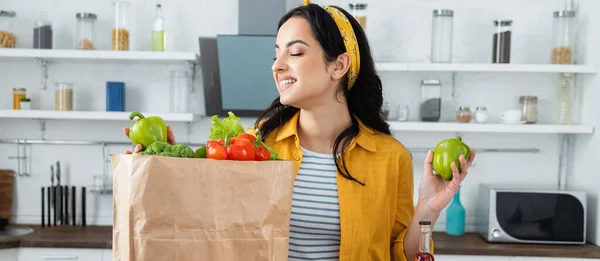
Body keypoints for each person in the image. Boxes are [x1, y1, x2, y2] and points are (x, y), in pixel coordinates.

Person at [124, 1, 476, 260]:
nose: (278, 66)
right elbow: (210, 226)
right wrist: (162, 163)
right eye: (277, 53)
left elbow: (402, 254)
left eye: (295, 52)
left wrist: (428, 208)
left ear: (338, 65)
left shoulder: (389, 156)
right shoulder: (256, 145)